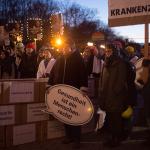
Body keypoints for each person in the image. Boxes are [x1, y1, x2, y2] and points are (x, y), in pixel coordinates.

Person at [48, 38, 88, 149]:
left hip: (74, 92)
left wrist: (83, 89)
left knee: (74, 116)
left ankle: (77, 139)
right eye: (63, 47)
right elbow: (53, 73)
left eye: (66, 47)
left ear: (72, 47)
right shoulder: (60, 58)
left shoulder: (78, 59)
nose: (63, 49)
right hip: (61, 91)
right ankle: (69, 136)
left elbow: (83, 75)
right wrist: (50, 83)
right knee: (65, 114)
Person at [98, 43, 128, 147]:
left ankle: (116, 139)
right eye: (106, 51)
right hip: (106, 96)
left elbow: (121, 80)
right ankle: (112, 138)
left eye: (109, 51)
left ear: (114, 51)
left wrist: (115, 92)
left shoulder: (120, 63)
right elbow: (102, 78)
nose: (107, 53)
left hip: (115, 97)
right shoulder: (106, 63)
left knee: (116, 119)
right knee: (110, 118)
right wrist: (101, 90)